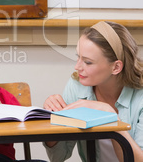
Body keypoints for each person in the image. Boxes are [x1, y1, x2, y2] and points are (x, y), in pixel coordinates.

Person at [43, 21, 143, 162]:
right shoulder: (77, 86)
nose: (77, 67)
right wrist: (51, 119)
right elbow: (59, 156)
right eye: (78, 57)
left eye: (88, 62)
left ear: (116, 67)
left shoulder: (140, 96)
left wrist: (112, 118)